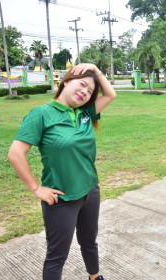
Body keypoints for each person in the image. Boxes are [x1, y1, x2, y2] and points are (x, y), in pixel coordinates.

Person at [7, 63, 117, 280]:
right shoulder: (41, 115)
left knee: (89, 241)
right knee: (57, 256)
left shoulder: (86, 113)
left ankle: (95, 277)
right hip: (61, 199)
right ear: (66, 81)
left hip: (90, 191)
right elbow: (15, 154)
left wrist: (95, 69)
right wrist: (37, 189)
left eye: (89, 91)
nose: (85, 92)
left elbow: (110, 93)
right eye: (82, 85)